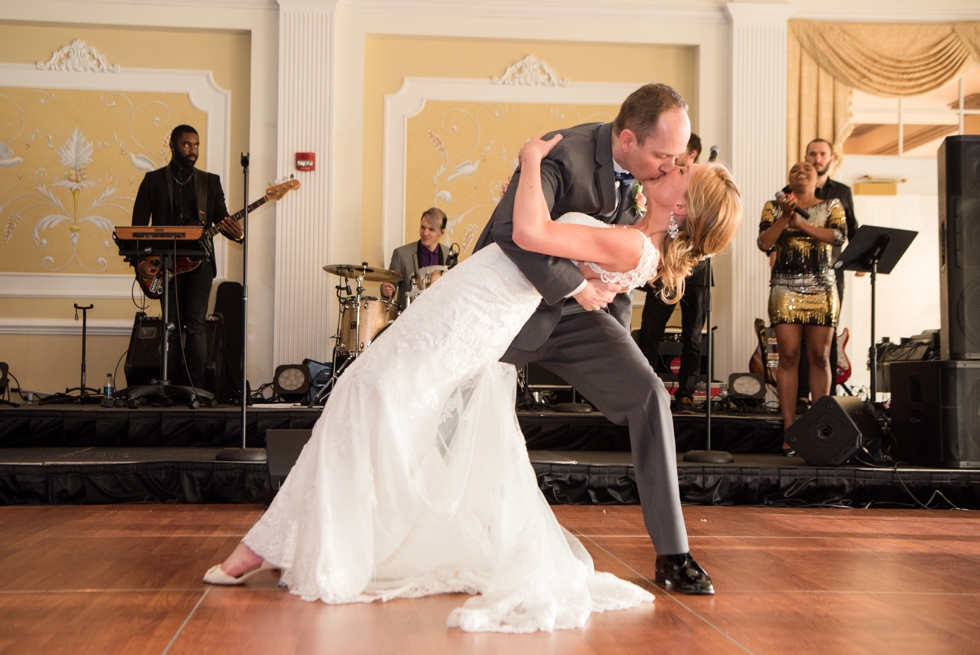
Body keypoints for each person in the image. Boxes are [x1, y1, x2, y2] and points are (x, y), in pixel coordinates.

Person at [203, 132, 742, 633]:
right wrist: (569, 266)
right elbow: (560, 251)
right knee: (372, 392)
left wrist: (529, 161)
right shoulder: (630, 229)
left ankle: (281, 543)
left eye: (686, 173)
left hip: (483, 305)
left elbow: (532, 233)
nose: (677, 165)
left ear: (683, 207)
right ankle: (288, 539)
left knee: (371, 391)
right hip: (480, 294)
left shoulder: (632, 246)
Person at [475, 83, 716, 594]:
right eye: (665, 156)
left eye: (679, 160)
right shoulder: (564, 153)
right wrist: (579, 287)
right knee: (439, 409)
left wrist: (612, 335)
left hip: (578, 320)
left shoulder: (649, 183)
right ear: (627, 140)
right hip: (508, 308)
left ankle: (674, 552)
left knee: (650, 394)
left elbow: (619, 272)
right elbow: (507, 230)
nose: (672, 166)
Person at [131, 125, 243, 388]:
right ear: (172, 146)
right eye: (186, 145)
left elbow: (221, 220)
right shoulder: (153, 181)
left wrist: (237, 234)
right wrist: (140, 262)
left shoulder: (209, 182)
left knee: (196, 326)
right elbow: (136, 228)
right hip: (165, 265)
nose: (193, 151)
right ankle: (168, 386)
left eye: (196, 145)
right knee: (169, 326)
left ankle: (196, 389)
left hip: (199, 264)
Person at [758, 160, 847, 453]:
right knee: (788, 356)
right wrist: (785, 218)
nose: (801, 169)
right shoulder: (773, 207)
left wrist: (801, 224)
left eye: (807, 167)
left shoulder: (832, 205)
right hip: (785, 286)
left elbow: (838, 237)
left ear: (817, 176)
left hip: (822, 286)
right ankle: (789, 429)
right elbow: (764, 242)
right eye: (795, 167)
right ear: (789, 178)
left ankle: (820, 428)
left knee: (820, 356)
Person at [635, 133, 709, 415]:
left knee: (692, 336)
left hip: (697, 270)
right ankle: (646, 388)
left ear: (691, 154)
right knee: (651, 329)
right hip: (664, 268)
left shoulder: (704, 187)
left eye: (679, 152)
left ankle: (686, 394)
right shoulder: (666, 182)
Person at [796, 138, 860, 407]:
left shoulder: (841, 192)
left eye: (822, 154)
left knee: (827, 339)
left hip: (832, 273)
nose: (817, 158)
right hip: (796, 273)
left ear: (831, 158)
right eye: (812, 154)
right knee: (798, 339)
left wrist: (859, 261)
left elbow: (851, 229)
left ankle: (827, 400)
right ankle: (799, 396)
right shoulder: (791, 189)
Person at [381, 207, 451, 310]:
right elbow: (389, 287)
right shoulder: (401, 254)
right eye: (423, 227)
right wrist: (386, 290)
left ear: (442, 232)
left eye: (431, 229)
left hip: (439, 317)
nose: (425, 233)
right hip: (408, 318)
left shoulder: (450, 255)